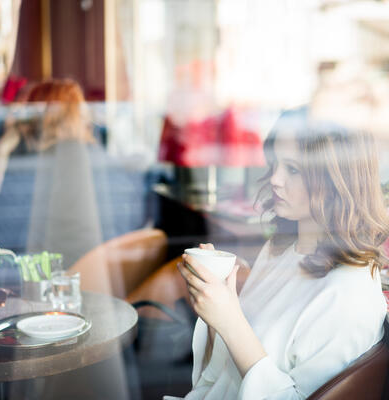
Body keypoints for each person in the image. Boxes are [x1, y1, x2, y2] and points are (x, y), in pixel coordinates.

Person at [164, 113, 389, 399]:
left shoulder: (348, 295)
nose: (275, 179)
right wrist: (217, 307)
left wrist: (229, 319)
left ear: (336, 182)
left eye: (293, 170)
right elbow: (225, 368)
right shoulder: (281, 248)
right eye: (275, 164)